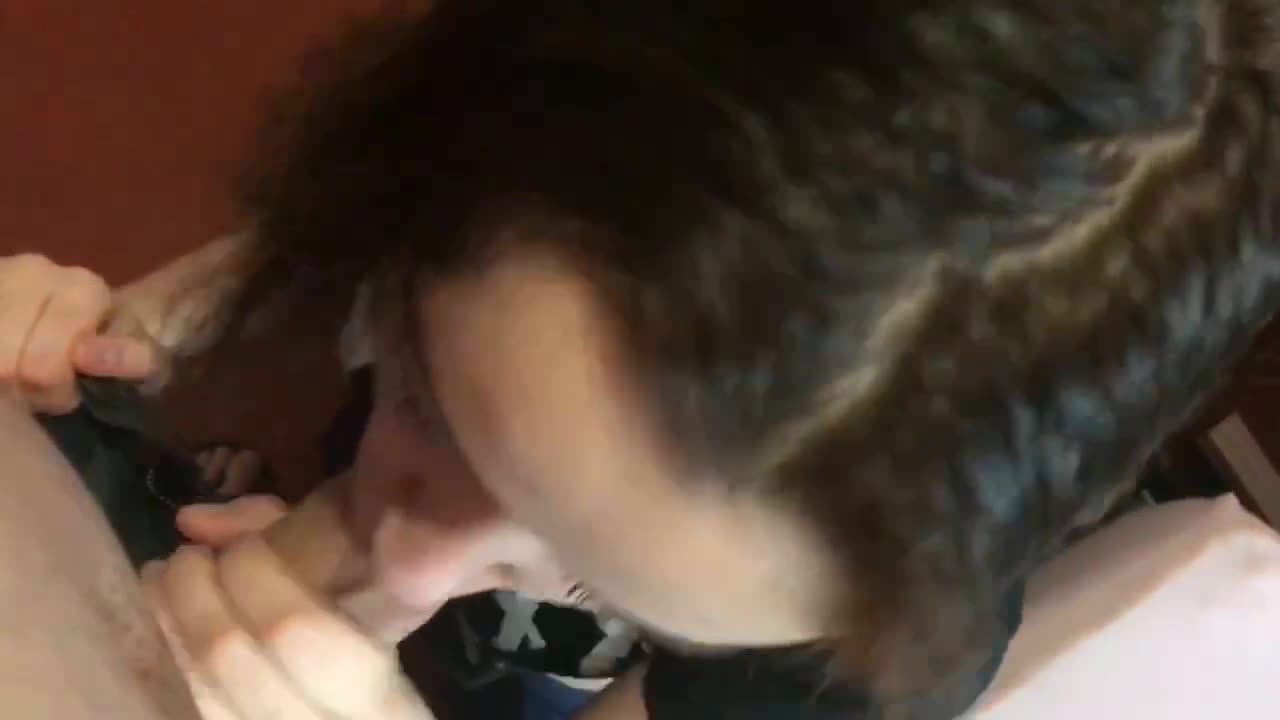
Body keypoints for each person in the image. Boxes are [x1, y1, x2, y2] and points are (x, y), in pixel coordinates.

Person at [5, 0, 1280, 717]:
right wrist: (113, 331)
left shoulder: (852, 659)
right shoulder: (502, 187)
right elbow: (331, 241)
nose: (406, 566)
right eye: (432, 396)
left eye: (616, 576)